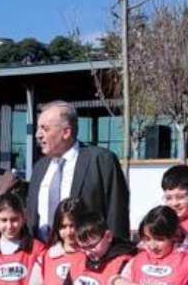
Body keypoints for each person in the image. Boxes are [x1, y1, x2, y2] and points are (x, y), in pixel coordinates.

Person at [26, 101, 129, 242]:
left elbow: (117, 215)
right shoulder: (39, 168)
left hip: (87, 255)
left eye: (45, 128)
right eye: (38, 129)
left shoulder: (101, 161)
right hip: (45, 256)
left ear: (66, 132)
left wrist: (118, 254)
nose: (38, 135)